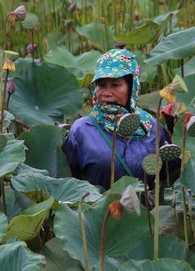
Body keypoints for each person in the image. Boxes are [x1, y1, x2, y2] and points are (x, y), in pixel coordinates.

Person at [62, 48, 171, 189]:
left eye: (115, 85)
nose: (106, 93)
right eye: (101, 85)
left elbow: (169, 176)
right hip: (99, 209)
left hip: (145, 210)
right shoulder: (81, 130)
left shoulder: (151, 128)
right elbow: (68, 182)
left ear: (132, 88)